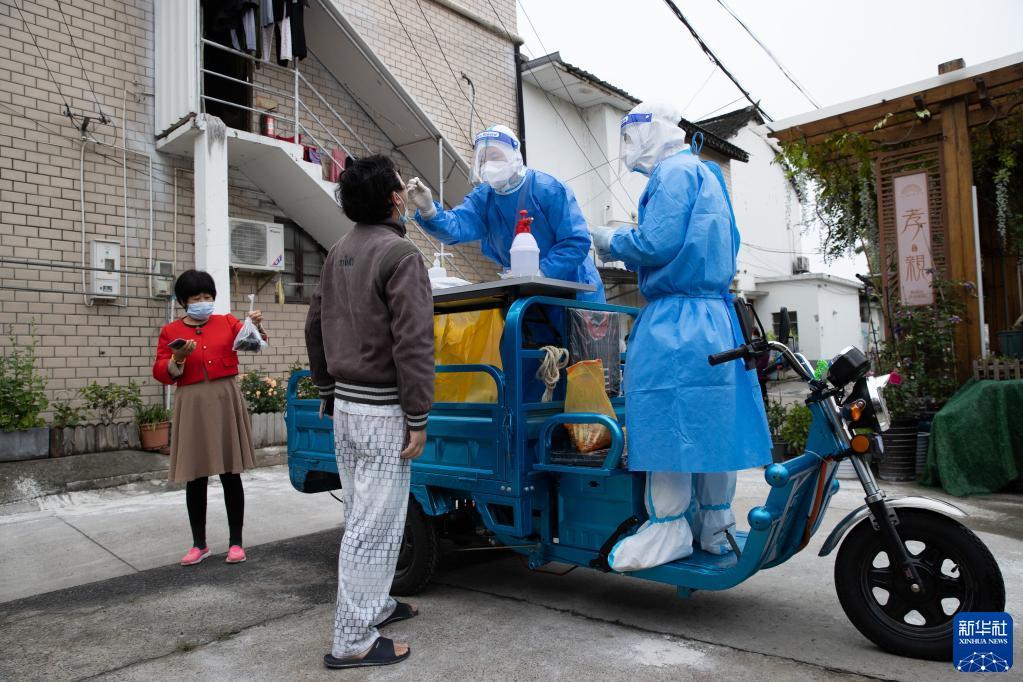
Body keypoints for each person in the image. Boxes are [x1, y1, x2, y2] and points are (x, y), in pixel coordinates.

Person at [589, 102, 771, 572]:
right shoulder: (708, 173)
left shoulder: (669, 176)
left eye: (629, 136)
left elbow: (657, 243)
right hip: (716, 315)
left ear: (648, 132)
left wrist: (607, 239)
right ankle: (715, 525)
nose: (626, 148)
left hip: (675, 322)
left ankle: (668, 527)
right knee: (712, 424)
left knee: (666, 422)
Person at [305, 154, 434, 670]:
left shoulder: (339, 250)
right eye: (401, 187)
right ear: (394, 198)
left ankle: (375, 605)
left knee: (364, 515)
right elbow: (414, 343)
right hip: (383, 414)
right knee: (374, 527)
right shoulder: (400, 254)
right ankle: (353, 640)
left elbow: (315, 324)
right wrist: (419, 415)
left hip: (347, 407)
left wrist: (324, 385)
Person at [405, 124, 605, 302]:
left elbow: (575, 241)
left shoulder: (548, 189)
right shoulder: (484, 198)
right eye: (482, 159)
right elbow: (457, 226)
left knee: (570, 344)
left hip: (574, 292)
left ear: (514, 156)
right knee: (526, 343)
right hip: (525, 295)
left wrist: (542, 271)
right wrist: (429, 210)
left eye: (495, 156)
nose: (488, 165)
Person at [152, 269, 267, 566]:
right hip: (191, 401)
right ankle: (199, 544)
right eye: (195, 298)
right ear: (183, 301)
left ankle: (236, 543)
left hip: (225, 396)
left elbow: (253, 344)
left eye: (207, 296)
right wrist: (177, 358)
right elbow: (160, 371)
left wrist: (254, 326)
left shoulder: (227, 321)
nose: (203, 302)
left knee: (231, 473)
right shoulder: (170, 331)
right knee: (196, 475)